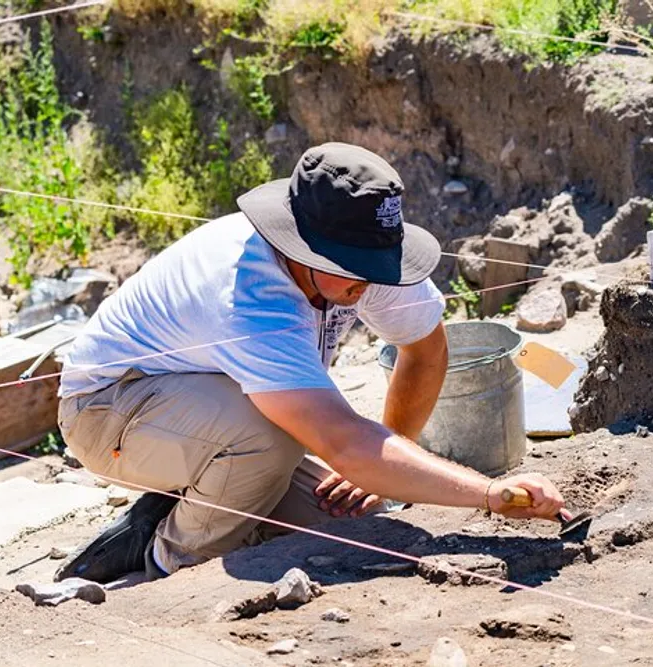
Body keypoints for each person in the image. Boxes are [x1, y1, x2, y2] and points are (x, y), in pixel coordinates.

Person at [53, 142, 571, 583]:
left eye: (376, 267)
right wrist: (488, 493)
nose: (367, 284)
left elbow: (425, 350)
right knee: (269, 441)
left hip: (217, 406)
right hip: (108, 408)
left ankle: (192, 500)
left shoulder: (364, 259)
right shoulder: (250, 297)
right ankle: (166, 559)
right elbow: (343, 440)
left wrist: (380, 465)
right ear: (302, 249)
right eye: (354, 271)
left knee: (354, 523)